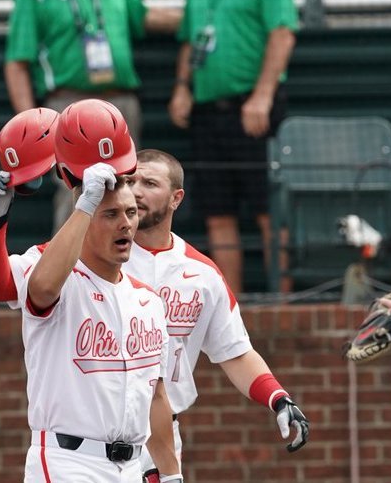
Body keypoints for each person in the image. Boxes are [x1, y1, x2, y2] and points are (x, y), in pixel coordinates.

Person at [122, 149, 308, 477]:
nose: (136, 190)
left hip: (162, 437)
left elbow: (235, 352)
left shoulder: (202, 272)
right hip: (92, 433)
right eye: (130, 181)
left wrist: (278, 398)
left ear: (176, 198)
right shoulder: (96, 259)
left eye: (150, 183)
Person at [21, 163, 180, 481]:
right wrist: (84, 205)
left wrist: (171, 473)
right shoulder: (63, 282)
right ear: (84, 220)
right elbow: (40, 289)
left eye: (131, 213)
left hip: (132, 466)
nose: (126, 224)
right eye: (110, 214)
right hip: (70, 462)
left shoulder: (149, 301)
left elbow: (156, 396)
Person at [4, 0, 181, 231]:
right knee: (75, 189)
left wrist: (198, 20)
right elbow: (17, 62)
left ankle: (129, 263)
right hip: (68, 104)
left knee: (128, 186)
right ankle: (67, 266)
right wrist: (31, 130)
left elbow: (142, 16)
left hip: (120, 102)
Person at [168, 0, 298, 294]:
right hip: (207, 111)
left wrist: (263, 95)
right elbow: (190, 40)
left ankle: (282, 305)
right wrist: (182, 88)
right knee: (217, 214)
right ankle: (230, 311)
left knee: (270, 212)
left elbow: (282, 35)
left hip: (253, 108)